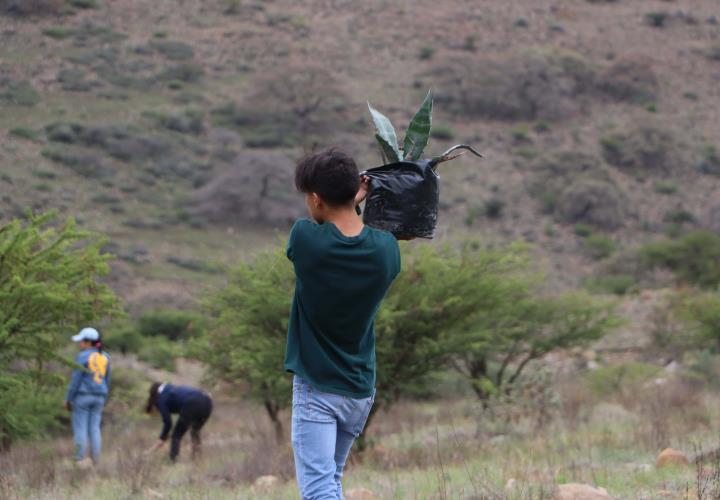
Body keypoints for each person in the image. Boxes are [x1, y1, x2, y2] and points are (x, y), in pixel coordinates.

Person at [286, 148, 404, 498]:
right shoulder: (386, 251)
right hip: (359, 387)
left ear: (316, 199)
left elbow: (322, 227)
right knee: (332, 480)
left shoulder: (306, 240)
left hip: (318, 387)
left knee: (318, 488)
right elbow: (350, 229)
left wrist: (350, 201)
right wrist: (351, 204)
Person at [64, 327, 111, 468]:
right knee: (95, 428)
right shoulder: (106, 357)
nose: (79, 344)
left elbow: (75, 380)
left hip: (83, 396)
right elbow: (107, 380)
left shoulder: (82, 356)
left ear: (87, 342)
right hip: (100, 397)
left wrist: (68, 398)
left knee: (80, 428)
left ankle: (79, 459)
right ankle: (95, 461)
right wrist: (104, 396)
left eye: (81, 341)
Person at [145, 382, 213, 462]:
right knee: (195, 431)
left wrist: (162, 438)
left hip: (191, 403)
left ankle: (173, 461)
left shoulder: (160, 399)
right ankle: (197, 459)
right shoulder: (172, 388)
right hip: (207, 401)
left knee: (176, 436)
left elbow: (167, 422)